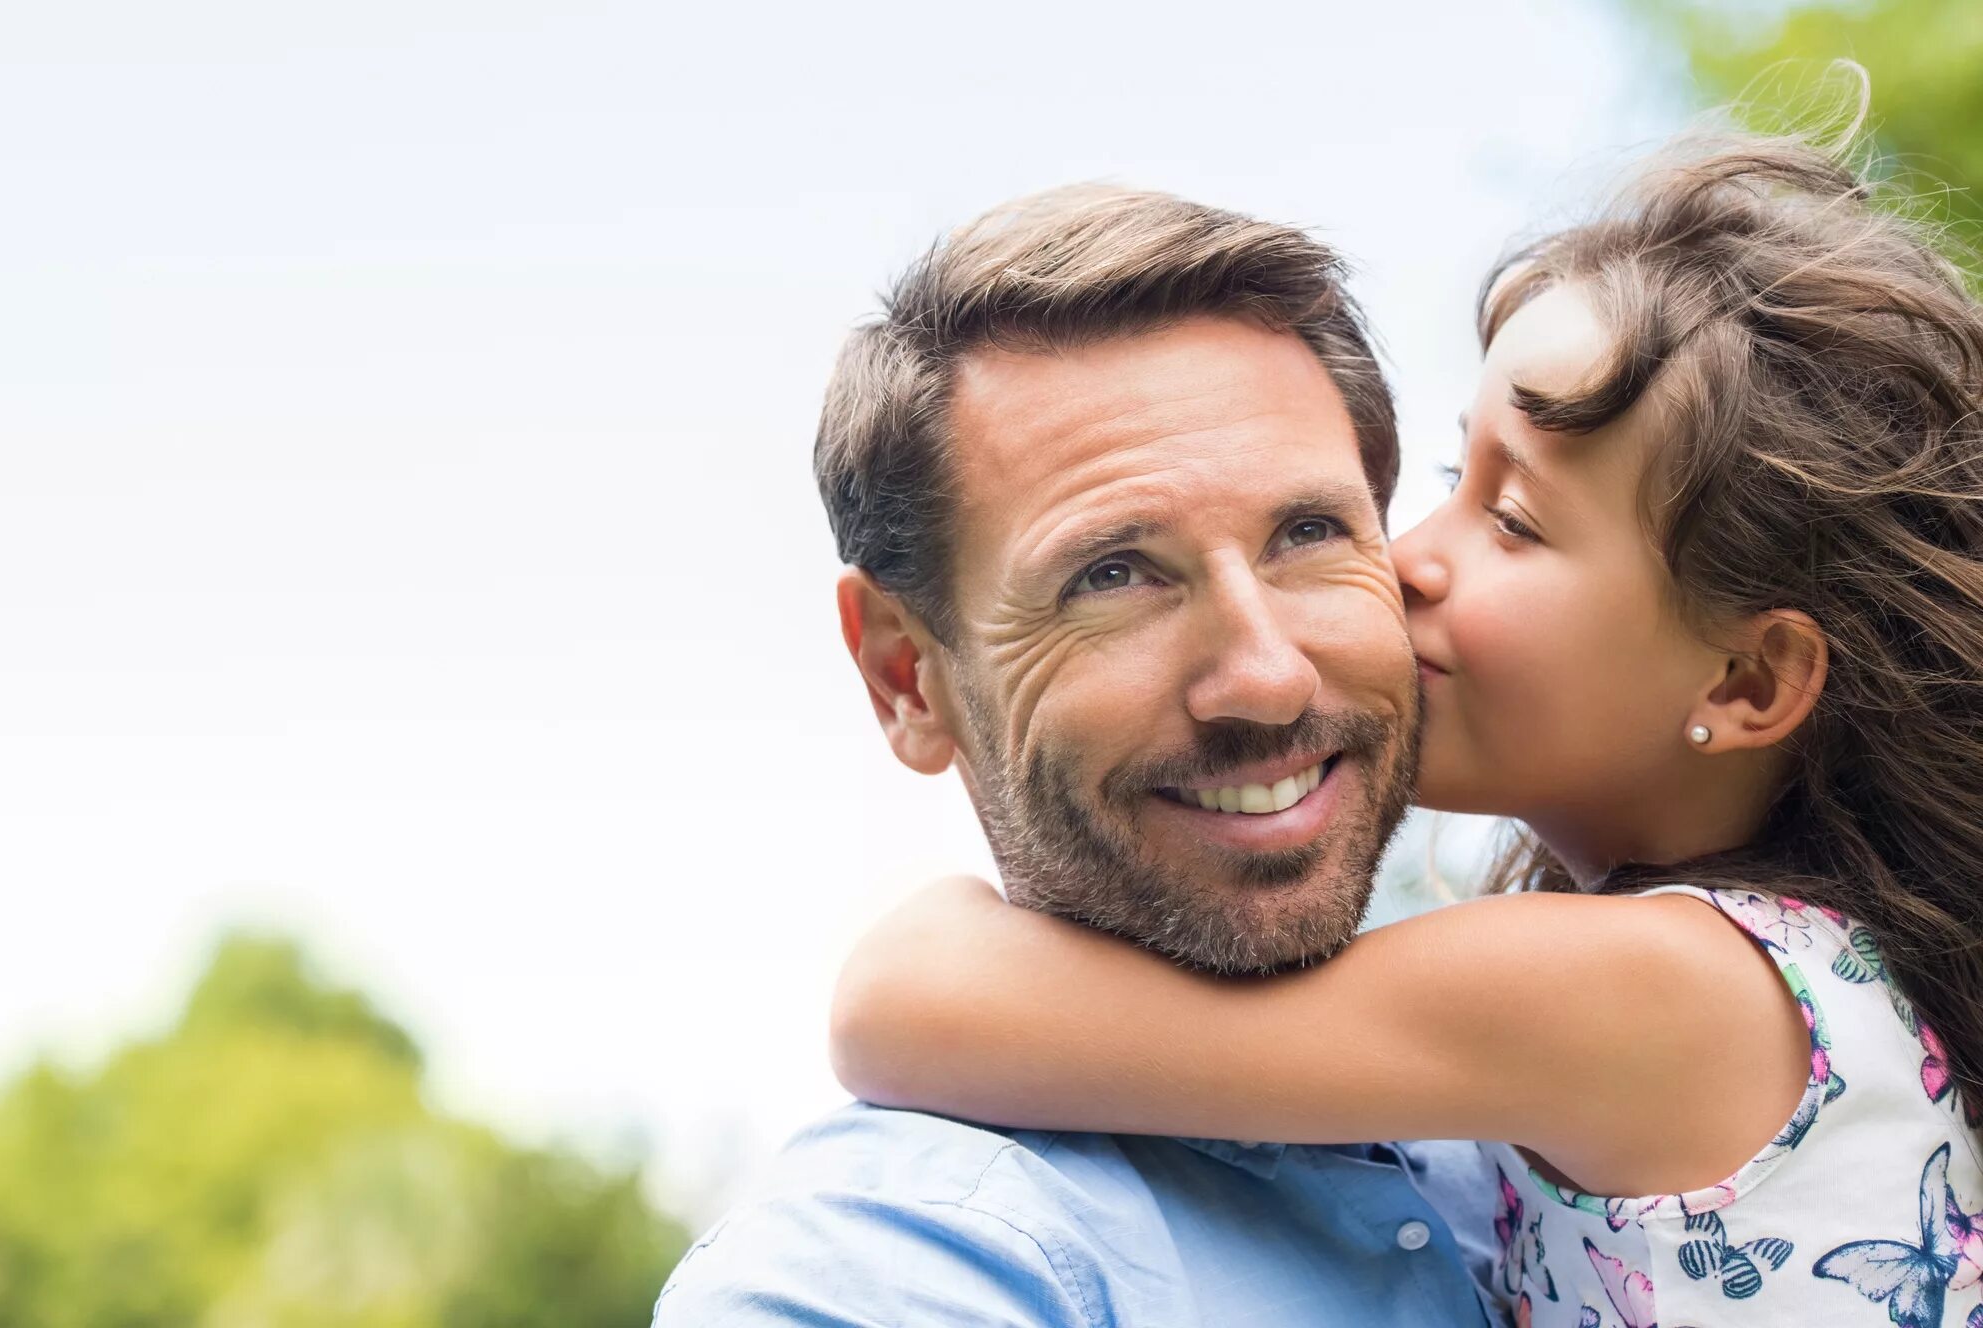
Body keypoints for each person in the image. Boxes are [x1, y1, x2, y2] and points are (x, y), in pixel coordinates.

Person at [832, 126, 1983, 1328]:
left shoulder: (1653, 989)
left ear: (1745, 682)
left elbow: (906, 1007)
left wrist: (936, 927)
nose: (1407, 559)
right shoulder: (1789, 981)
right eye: (1447, 478)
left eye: (1514, 521)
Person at [652, 187, 1506, 1325]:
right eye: (1111, 574)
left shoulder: (1555, 1142)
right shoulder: (876, 1276)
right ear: (907, 676)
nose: (1266, 675)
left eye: (1306, 534)